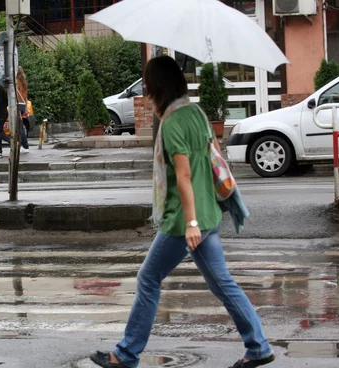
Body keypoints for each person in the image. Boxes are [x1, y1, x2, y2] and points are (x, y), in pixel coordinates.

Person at [90, 56, 274, 368]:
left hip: (184, 221)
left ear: (156, 87)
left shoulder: (173, 122)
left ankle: (126, 355)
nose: (145, 92)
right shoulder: (197, 114)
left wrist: (189, 223)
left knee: (148, 279)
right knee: (222, 283)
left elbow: (184, 175)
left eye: (147, 85)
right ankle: (258, 347)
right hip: (210, 215)